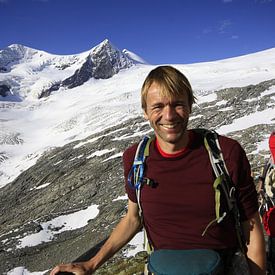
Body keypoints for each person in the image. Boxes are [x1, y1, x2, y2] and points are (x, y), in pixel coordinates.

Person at [51, 66, 266, 275]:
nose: (169, 115)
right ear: (145, 112)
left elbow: (251, 225)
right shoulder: (136, 159)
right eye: (158, 107)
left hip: (223, 267)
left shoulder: (225, 153)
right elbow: (133, 219)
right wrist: (91, 265)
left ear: (190, 105)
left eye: (178, 104)